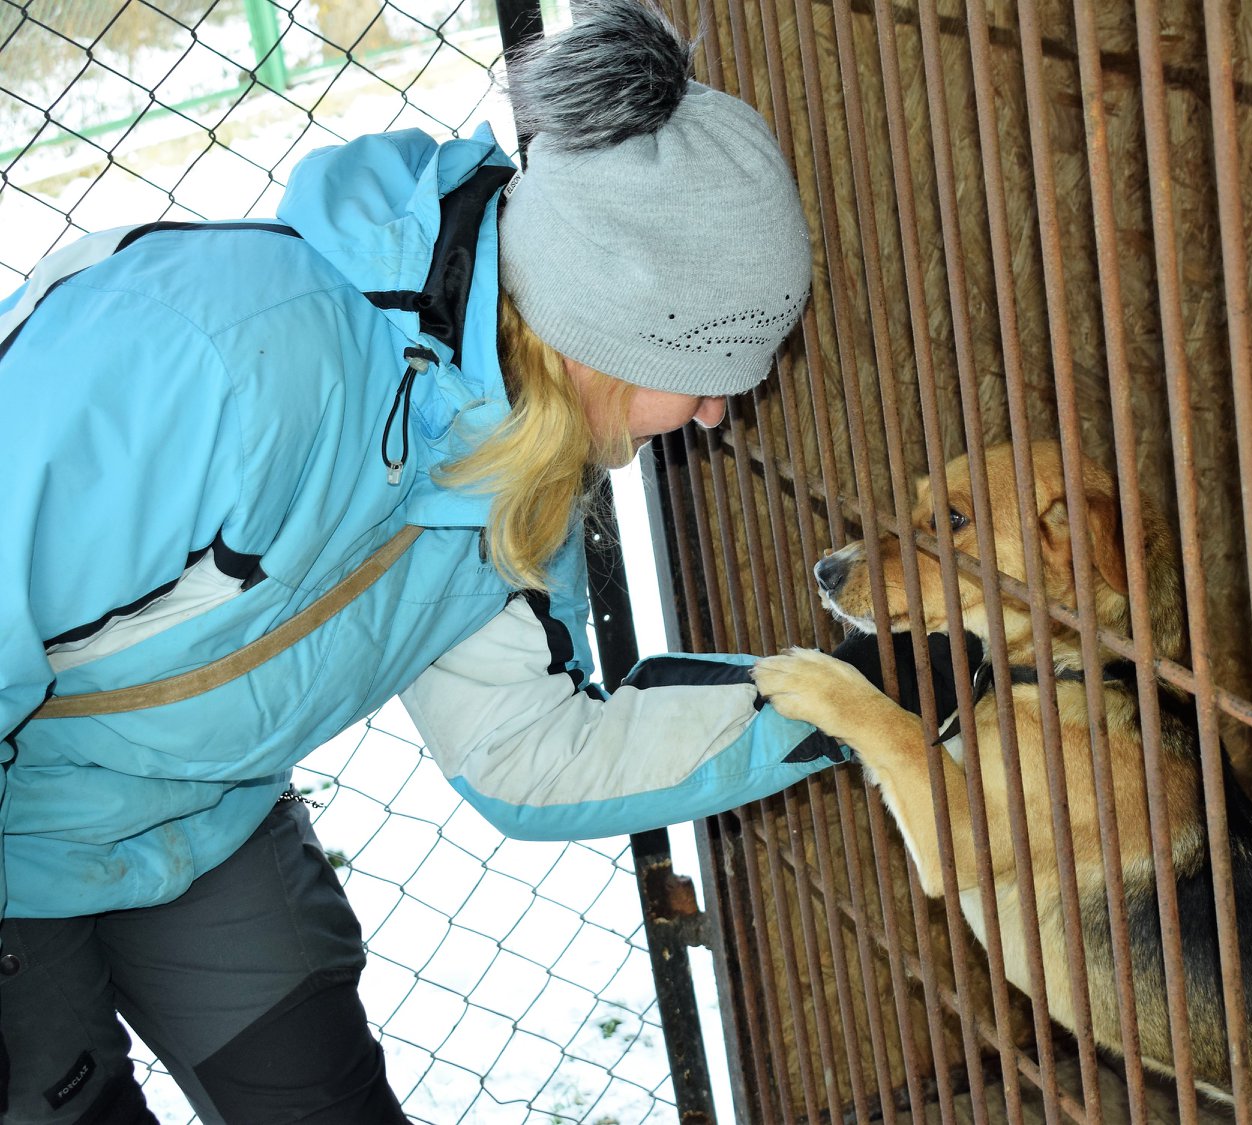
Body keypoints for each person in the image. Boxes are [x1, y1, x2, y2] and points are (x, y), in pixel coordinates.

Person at [0, 1, 845, 1120]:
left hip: (201, 816)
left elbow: (529, 747)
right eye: (709, 369)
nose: (717, 415)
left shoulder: (515, 465)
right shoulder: (218, 356)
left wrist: (849, 706)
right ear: (604, 327)